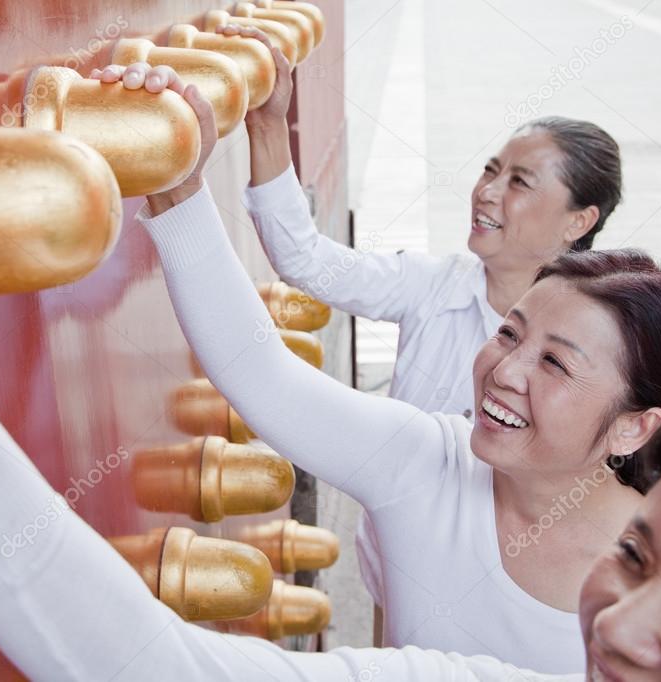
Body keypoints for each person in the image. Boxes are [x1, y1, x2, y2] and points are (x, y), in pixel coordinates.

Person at [0, 212, 661, 682]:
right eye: (632, 564)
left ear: (638, 428)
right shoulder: (434, 464)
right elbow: (161, 666)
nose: (622, 626)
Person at [217, 25, 626, 643]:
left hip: (522, 572)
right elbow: (305, 260)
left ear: (579, 220)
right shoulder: (432, 285)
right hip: (400, 553)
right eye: (491, 169)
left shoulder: (606, 337)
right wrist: (269, 126)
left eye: (520, 183)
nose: (487, 192)